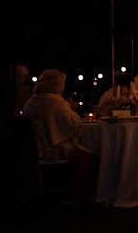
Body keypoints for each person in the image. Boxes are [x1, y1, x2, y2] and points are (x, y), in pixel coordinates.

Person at [21, 69, 96, 202]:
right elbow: (74, 123)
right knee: (87, 156)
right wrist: (72, 109)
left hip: (32, 149)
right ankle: (75, 197)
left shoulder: (31, 101)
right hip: (50, 150)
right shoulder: (56, 102)